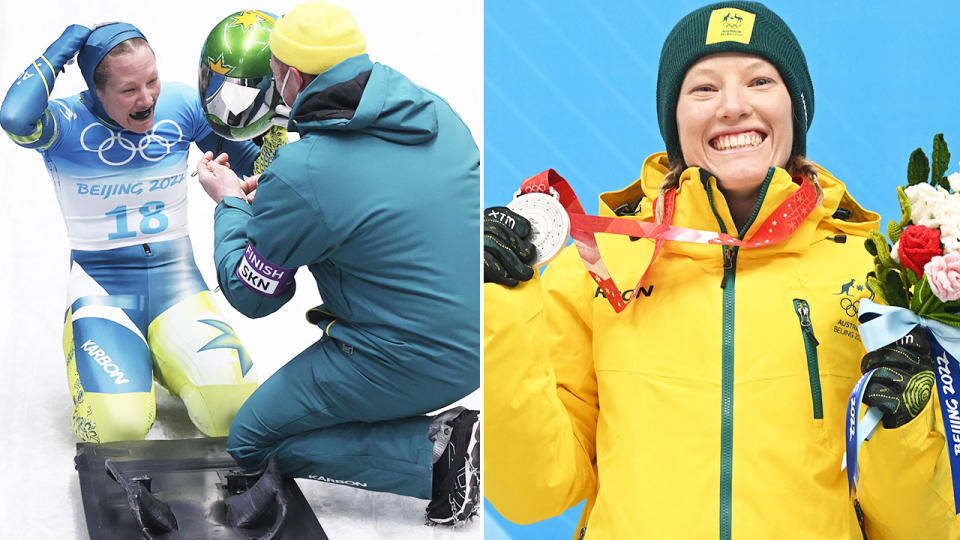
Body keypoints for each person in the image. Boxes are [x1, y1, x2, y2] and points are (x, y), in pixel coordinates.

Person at [484, 2, 959, 538]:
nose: (733, 106)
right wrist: (502, 300)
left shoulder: (876, 275)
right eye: (704, 88)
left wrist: (905, 429)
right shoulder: (599, 269)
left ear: (795, 108)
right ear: (674, 118)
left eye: (759, 81)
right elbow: (532, 493)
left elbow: (920, 528)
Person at [194, 1, 481, 526]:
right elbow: (383, 212)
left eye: (275, 77)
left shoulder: (305, 171)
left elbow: (253, 296)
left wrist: (232, 204)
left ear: (291, 78)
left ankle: (440, 457)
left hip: (399, 357)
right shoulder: (436, 111)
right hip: (481, 339)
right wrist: (285, 203)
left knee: (252, 442)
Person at [0, 22, 261, 442]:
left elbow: (255, 163)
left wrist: (269, 147)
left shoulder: (180, 104)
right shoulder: (65, 123)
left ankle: (160, 353)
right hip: (105, 294)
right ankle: (118, 355)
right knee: (117, 428)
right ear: (96, 90)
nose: (147, 99)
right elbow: (14, 117)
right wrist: (67, 43)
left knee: (232, 414)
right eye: (129, 90)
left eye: (152, 80)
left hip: (178, 287)